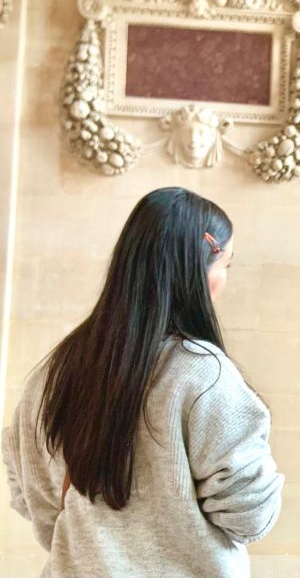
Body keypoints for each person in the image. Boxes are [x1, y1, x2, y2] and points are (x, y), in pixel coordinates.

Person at [1, 187, 283, 578]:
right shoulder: (204, 373)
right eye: (225, 266)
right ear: (197, 266)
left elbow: (29, 492)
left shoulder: (56, 369)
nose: (223, 281)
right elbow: (250, 517)